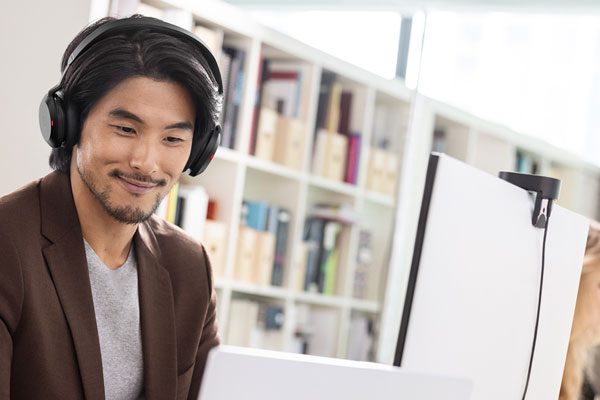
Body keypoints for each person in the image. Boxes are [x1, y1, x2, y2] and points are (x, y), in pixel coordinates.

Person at [0, 15, 223, 399]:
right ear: (66, 124)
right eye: (125, 129)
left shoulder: (188, 266)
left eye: (172, 138)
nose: (146, 162)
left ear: (199, 152)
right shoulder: (7, 244)